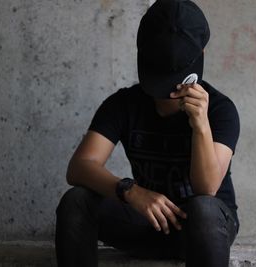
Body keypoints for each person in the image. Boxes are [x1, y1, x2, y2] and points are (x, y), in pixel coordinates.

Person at [55, 0, 240, 266]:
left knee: (205, 210)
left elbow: (206, 188)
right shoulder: (124, 104)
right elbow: (80, 167)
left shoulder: (220, 110)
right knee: (76, 202)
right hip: (147, 221)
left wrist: (200, 124)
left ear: (199, 55)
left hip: (203, 231)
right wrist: (129, 190)